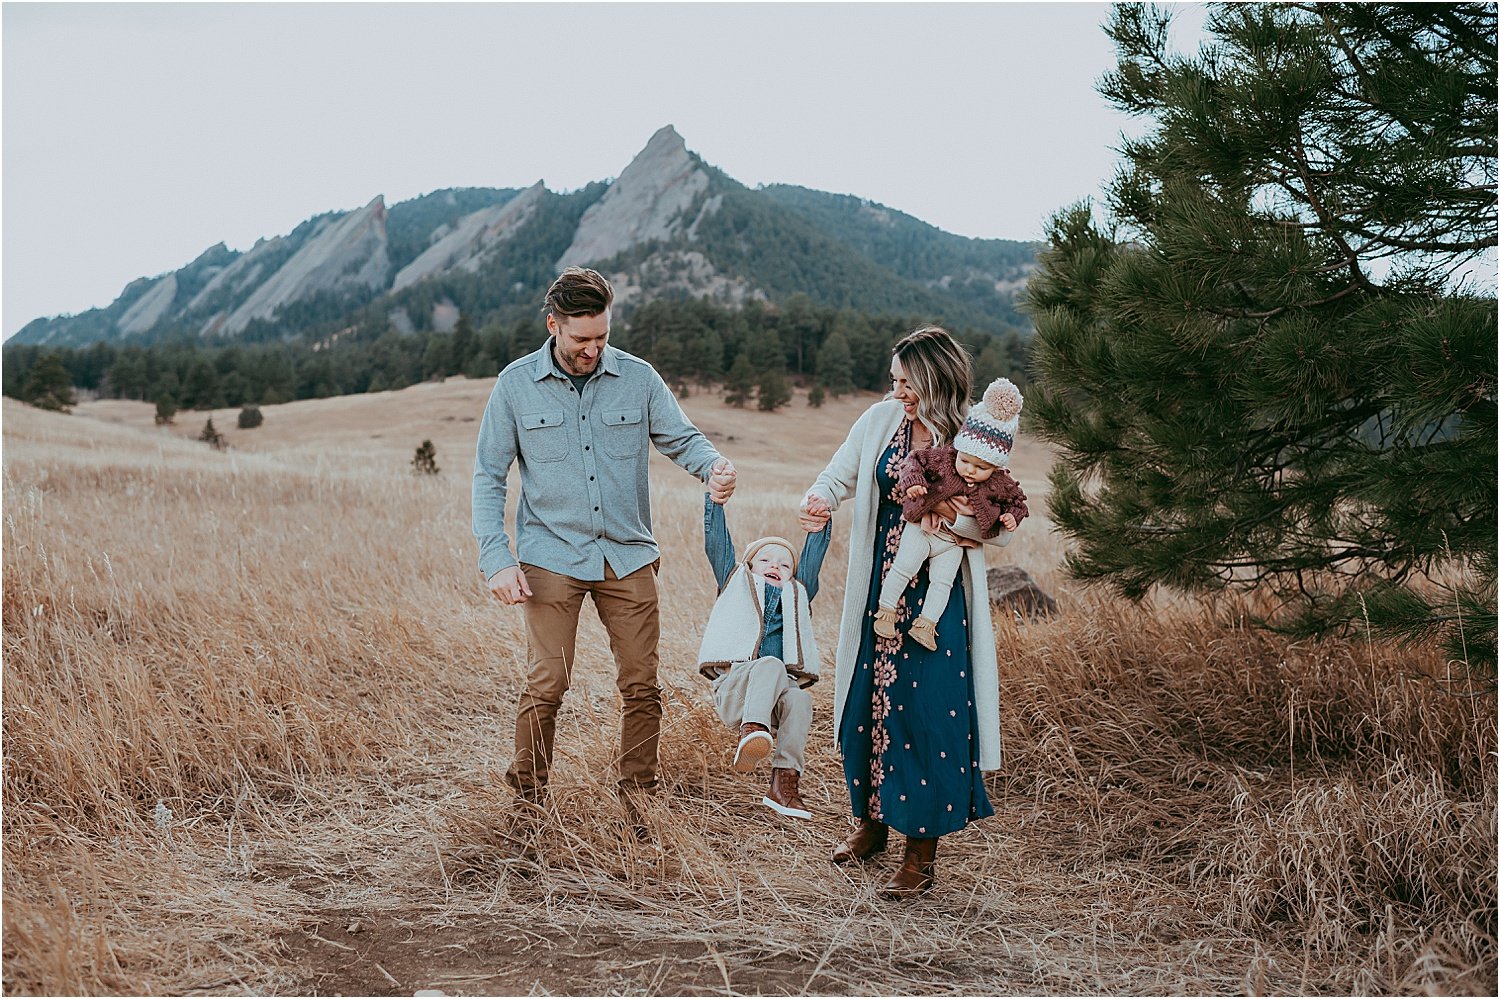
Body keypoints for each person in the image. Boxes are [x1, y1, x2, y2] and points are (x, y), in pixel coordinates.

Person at [472, 266, 735, 858]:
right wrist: (497, 559)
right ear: (553, 326)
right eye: (580, 339)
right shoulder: (515, 386)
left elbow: (683, 439)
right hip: (548, 557)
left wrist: (713, 467)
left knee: (642, 685)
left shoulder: (638, 378)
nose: (592, 349)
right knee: (547, 684)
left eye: (601, 338)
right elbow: (489, 478)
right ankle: (527, 807)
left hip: (628, 555)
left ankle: (639, 807)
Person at [799, 325, 1015, 898]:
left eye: (906, 382)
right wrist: (819, 496)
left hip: (939, 603)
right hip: (882, 590)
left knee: (929, 713)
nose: (897, 392)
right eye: (893, 381)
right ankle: (869, 826)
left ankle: (920, 853)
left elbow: (1002, 521)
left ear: (934, 379)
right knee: (869, 701)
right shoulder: (878, 421)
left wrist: (955, 518)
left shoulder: (972, 437)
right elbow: (840, 471)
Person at [697, 478, 831, 820]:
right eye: (766, 560)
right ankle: (752, 731)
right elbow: (718, 544)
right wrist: (714, 502)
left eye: (785, 565)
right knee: (771, 663)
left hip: (772, 697)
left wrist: (821, 524)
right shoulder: (734, 581)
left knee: (799, 697)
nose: (776, 566)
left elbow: (812, 562)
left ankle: (784, 784)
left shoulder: (798, 595)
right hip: (735, 689)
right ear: (748, 567)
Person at [876, 377, 1029, 651]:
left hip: (954, 542)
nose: (970, 470)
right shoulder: (944, 458)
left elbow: (1018, 501)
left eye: (980, 467)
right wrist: (914, 483)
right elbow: (914, 461)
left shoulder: (998, 482)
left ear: (995, 467)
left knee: (943, 582)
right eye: (966, 460)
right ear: (958, 448)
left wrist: (1012, 517)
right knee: (904, 567)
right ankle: (886, 611)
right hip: (924, 526)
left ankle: (926, 625)